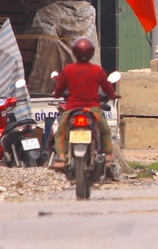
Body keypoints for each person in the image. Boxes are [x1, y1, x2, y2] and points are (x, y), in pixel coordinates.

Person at [50, 37, 117, 169]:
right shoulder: (97, 70)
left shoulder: (69, 69)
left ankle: (62, 158)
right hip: (93, 110)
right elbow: (107, 87)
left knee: (61, 132)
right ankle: (108, 157)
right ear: (91, 53)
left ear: (74, 52)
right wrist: (113, 95)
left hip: (72, 109)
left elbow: (60, 89)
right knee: (105, 131)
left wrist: (56, 94)